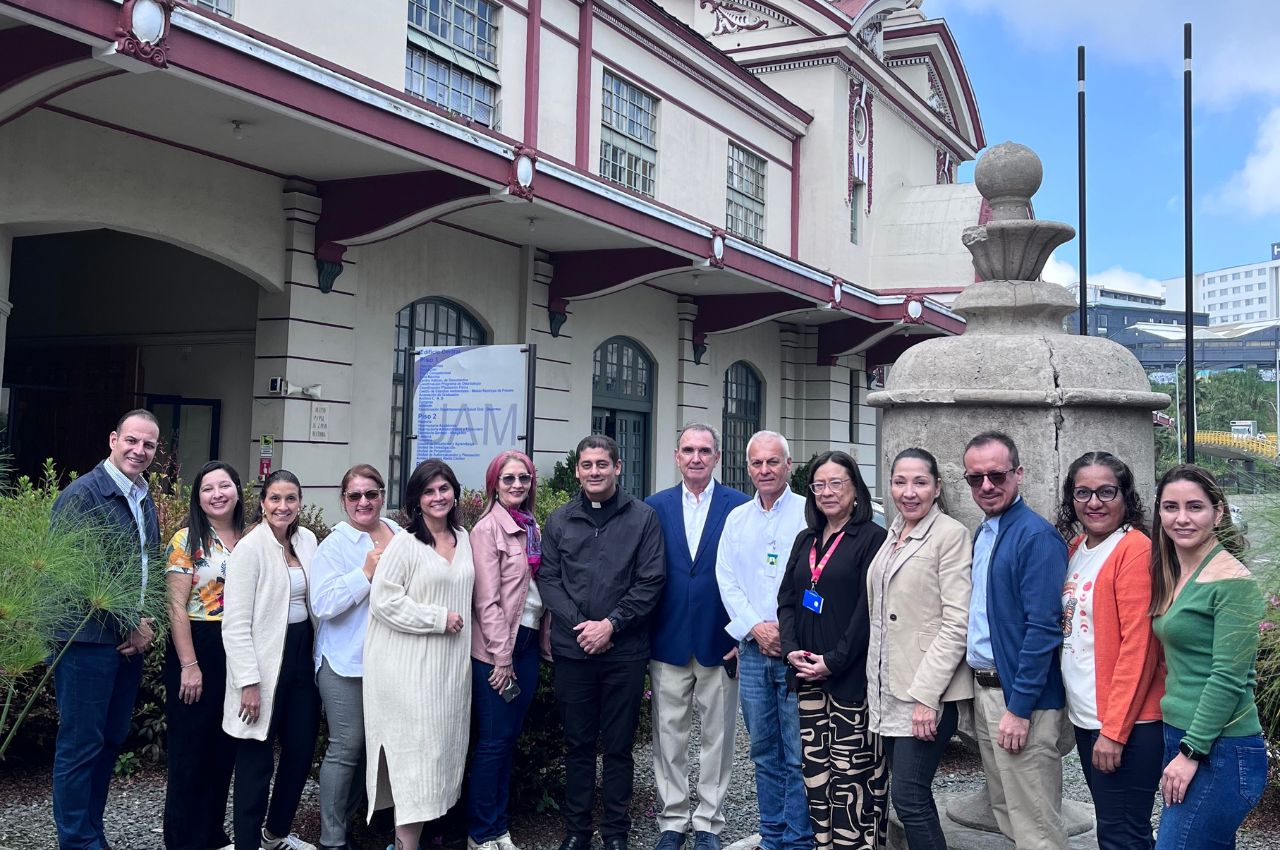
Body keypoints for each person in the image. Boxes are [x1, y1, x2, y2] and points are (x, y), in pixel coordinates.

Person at [539, 434, 666, 850]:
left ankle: (615, 833)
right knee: (576, 746)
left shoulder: (643, 518)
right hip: (574, 652)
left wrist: (611, 625)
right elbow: (549, 580)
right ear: (577, 470)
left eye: (602, 464)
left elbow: (651, 582)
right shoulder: (559, 520)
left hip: (624, 653)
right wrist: (584, 628)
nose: (595, 472)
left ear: (617, 467)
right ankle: (576, 831)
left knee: (618, 748)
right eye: (587, 465)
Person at [49, 409, 161, 850]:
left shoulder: (142, 495)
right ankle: (77, 842)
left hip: (126, 642)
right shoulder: (83, 496)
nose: (139, 450)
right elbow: (73, 575)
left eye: (148, 445)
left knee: (109, 742)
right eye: (132, 440)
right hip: (85, 641)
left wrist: (145, 620)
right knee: (80, 746)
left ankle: (91, 835)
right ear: (114, 439)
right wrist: (131, 623)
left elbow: (145, 566)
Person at [961, 431, 1071, 850]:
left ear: (1018, 474)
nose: (987, 485)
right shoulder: (987, 531)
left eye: (996, 475)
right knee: (1008, 811)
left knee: (1037, 826)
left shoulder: (1035, 537)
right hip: (988, 689)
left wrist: (1020, 708)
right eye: (976, 479)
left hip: (1018, 698)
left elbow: (1043, 629)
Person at [1150, 464, 1266, 849]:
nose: (1181, 518)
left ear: (1217, 512)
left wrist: (1191, 751)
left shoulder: (1233, 582)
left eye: (1194, 507)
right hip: (1183, 735)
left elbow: (1229, 678)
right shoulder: (1177, 573)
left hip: (1220, 747)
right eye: (1171, 507)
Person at [644, 425, 749, 850]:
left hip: (719, 640)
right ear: (675, 456)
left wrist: (742, 635)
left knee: (718, 739)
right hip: (667, 640)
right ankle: (672, 820)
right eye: (688, 450)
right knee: (668, 735)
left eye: (705, 450)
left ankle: (708, 822)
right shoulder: (654, 508)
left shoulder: (739, 507)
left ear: (717, 457)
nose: (696, 457)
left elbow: (749, 576)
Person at [777, 450, 888, 850]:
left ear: (856, 488)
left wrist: (833, 662)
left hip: (849, 681)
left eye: (836, 483)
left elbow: (867, 611)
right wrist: (791, 650)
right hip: (807, 676)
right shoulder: (805, 538)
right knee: (815, 773)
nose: (827, 492)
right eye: (819, 485)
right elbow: (787, 599)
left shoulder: (873, 539)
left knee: (850, 775)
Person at [363, 459, 474, 850]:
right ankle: (404, 846)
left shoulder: (464, 537)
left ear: (455, 492)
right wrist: (437, 618)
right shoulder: (404, 545)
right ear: (416, 500)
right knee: (413, 764)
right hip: (408, 673)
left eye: (444, 489)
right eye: (428, 491)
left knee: (439, 761)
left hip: (450, 673)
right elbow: (384, 602)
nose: (438, 497)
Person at [1054, 451, 1163, 850]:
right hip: (1089, 717)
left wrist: (1114, 733)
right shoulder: (1079, 547)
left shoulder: (1133, 549)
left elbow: (1141, 645)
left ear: (1125, 496)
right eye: (1083, 493)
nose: (1094, 502)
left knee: (1124, 833)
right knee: (1114, 828)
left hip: (1127, 724)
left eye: (1106, 492)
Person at [865, 448, 972, 850]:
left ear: (937, 487)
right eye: (900, 482)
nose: (909, 492)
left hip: (924, 693)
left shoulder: (950, 535)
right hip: (888, 688)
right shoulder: (893, 533)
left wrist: (928, 697)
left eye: (920, 482)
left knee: (909, 798)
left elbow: (956, 622)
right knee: (907, 797)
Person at [715, 431, 812, 850]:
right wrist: (755, 626)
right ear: (748, 467)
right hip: (754, 652)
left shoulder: (810, 514)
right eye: (757, 463)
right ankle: (772, 836)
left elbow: (818, 579)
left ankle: (799, 838)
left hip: (797, 652)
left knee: (797, 752)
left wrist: (787, 634)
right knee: (762, 751)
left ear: (788, 465)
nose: (764, 470)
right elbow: (727, 580)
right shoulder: (738, 518)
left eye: (773, 462)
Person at [222, 469, 320, 850]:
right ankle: (246, 843)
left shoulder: (308, 540)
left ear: (299, 503)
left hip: (302, 657)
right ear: (262, 503)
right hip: (263, 665)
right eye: (275, 498)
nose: (283, 506)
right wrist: (248, 681)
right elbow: (234, 624)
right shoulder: (251, 548)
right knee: (255, 759)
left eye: (291, 498)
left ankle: (275, 834)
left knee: (300, 751)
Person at [310, 465, 400, 850]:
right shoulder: (335, 544)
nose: (364, 502)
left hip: (390, 661)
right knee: (346, 747)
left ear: (382, 494)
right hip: (344, 662)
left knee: (377, 748)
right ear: (343, 500)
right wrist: (364, 574)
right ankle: (332, 838)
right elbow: (323, 603)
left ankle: (360, 820)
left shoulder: (397, 534)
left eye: (371, 494)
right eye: (354, 496)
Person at [466, 450, 547, 850]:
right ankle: (481, 832)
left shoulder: (531, 526)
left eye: (524, 478)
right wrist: (502, 657)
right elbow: (487, 601)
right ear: (494, 484)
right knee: (494, 741)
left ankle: (498, 827)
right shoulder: (487, 530)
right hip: (499, 651)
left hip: (528, 646)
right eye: (509, 478)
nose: (517, 485)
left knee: (509, 739)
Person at [163, 460, 245, 850]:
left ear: (237, 491)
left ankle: (212, 835)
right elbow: (176, 606)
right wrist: (189, 665)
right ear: (198, 497)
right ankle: (182, 840)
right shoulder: (186, 540)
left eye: (224, 485)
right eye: (208, 488)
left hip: (239, 647)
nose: (217, 494)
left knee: (223, 748)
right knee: (190, 751)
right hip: (198, 645)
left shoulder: (251, 537)